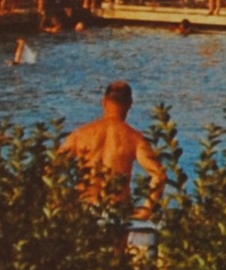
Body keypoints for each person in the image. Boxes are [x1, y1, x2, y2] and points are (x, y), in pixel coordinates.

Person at [58, 81, 166, 219]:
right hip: (117, 210)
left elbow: (53, 168)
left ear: (104, 102)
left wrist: (61, 202)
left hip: (85, 207)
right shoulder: (135, 138)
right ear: (130, 103)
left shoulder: (80, 134)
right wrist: (147, 209)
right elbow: (159, 175)